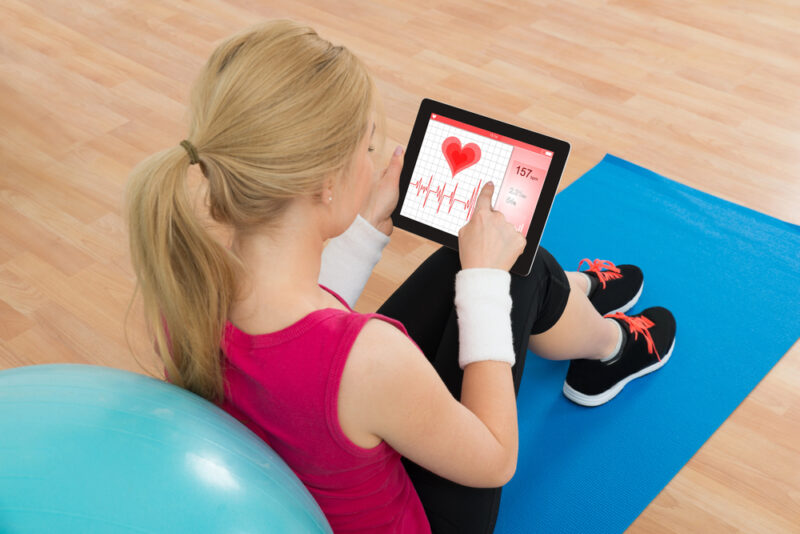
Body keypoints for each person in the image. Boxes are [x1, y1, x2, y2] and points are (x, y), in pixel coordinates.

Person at [124, 19, 676, 534]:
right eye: (366, 147)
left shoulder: (186, 289)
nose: (374, 158)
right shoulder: (372, 358)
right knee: (508, 275)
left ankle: (577, 294)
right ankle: (609, 348)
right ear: (325, 184)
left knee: (482, 260)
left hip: (318, 471)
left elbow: (295, 336)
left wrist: (363, 230)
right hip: (422, 518)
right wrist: (486, 283)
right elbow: (495, 459)